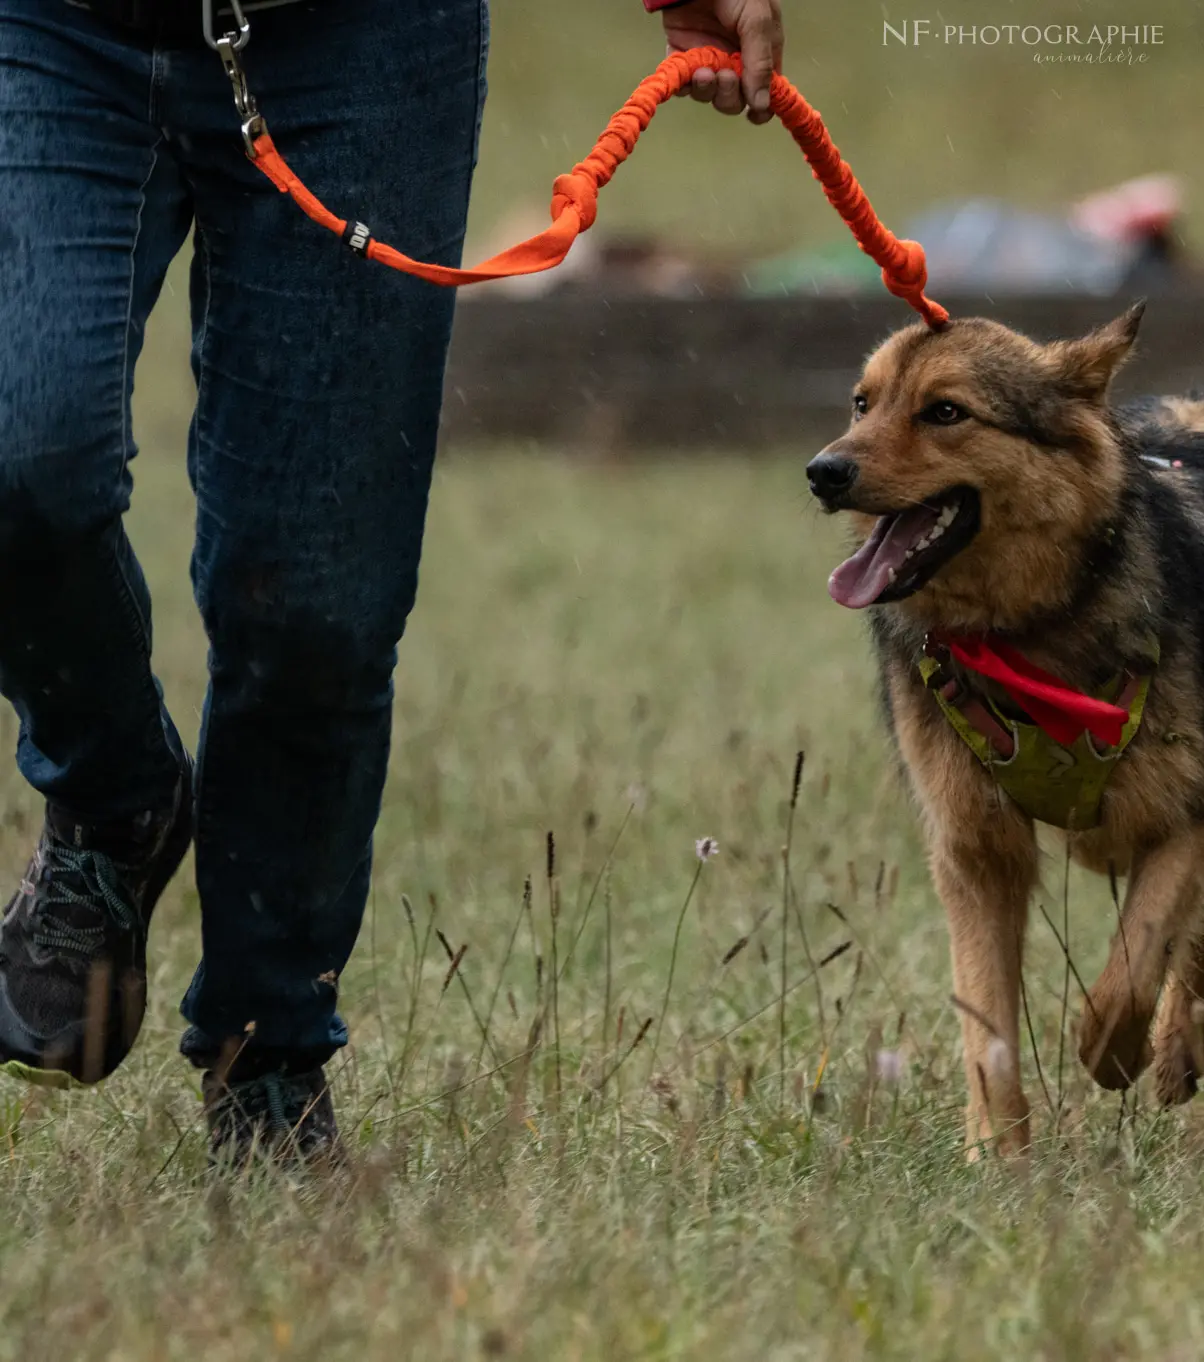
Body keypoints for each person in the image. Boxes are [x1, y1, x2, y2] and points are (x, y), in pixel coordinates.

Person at [0, 0, 783, 1164]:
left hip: (363, 41)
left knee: (318, 595)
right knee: (24, 462)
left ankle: (265, 1061)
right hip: (50, 30)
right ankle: (115, 804)